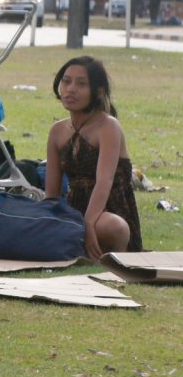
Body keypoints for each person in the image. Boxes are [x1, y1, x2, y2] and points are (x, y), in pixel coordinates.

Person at [45, 56, 142, 259]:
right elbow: (52, 195)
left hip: (107, 210)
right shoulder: (57, 131)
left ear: (98, 91)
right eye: (66, 81)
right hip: (74, 211)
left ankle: (104, 254)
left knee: (115, 227)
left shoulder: (108, 126)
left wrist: (89, 223)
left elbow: (104, 182)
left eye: (81, 84)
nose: (70, 89)